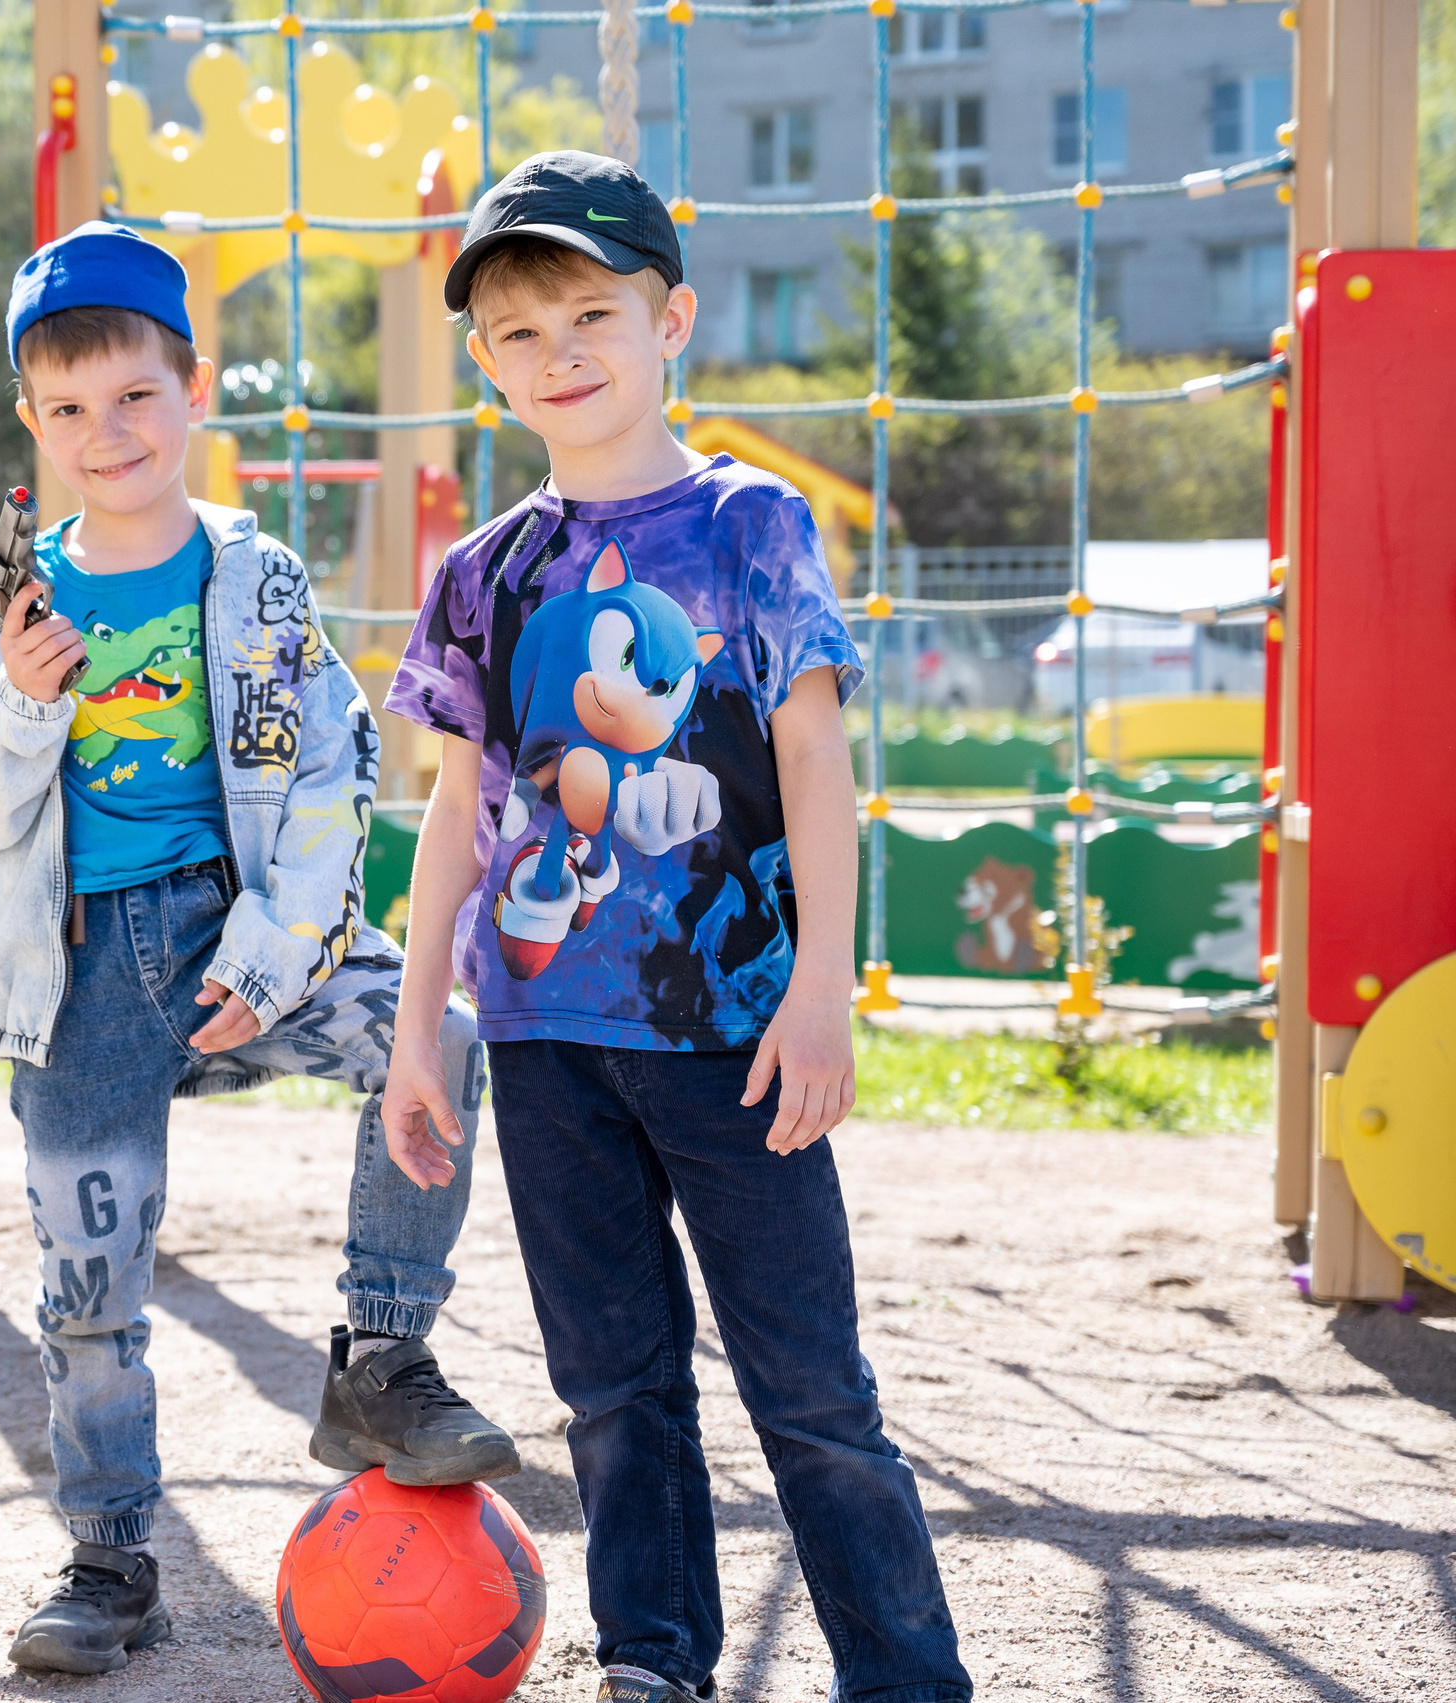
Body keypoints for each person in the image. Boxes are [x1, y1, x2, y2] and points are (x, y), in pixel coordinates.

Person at [378, 154, 973, 1703]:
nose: (560, 354)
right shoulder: (482, 573)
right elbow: (459, 811)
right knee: (612, 1390)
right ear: (486, 364)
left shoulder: (750, 523)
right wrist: (416, 1036)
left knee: (811, 1392)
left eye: (593, 314)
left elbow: (815, 766)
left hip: (733, 1039)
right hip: (545, 1039)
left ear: (672, 320)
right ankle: (656, 1660)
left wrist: (825, 988)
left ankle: (906, 1680)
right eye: (520, 333)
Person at [0, 220, 519, 1678]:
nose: (103, 433)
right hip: (77, 977)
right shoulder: (2, 600)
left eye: (134, 396)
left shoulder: (257, 582)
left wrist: (267, 955)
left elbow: (330, 777)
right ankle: (111, 1555)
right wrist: (19, 700)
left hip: (244, 930)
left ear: (197, 387)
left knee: (427, 1035)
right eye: (67, 410)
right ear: (31, 424)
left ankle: (378, 1355)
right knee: (90, 1298)